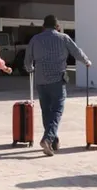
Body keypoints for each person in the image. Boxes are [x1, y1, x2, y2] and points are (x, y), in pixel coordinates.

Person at [24, 15, 91, 156]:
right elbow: (76, 52)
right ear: (57, 26)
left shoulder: (35, 39)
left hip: (41, 80)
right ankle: (48, 139)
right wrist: (86, 61)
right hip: (57, 80)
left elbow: (28, 58)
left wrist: (30, 68)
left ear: (43, 26)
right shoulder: (63, 38)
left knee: (46, 111)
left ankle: (53, 142)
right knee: (57, 110)